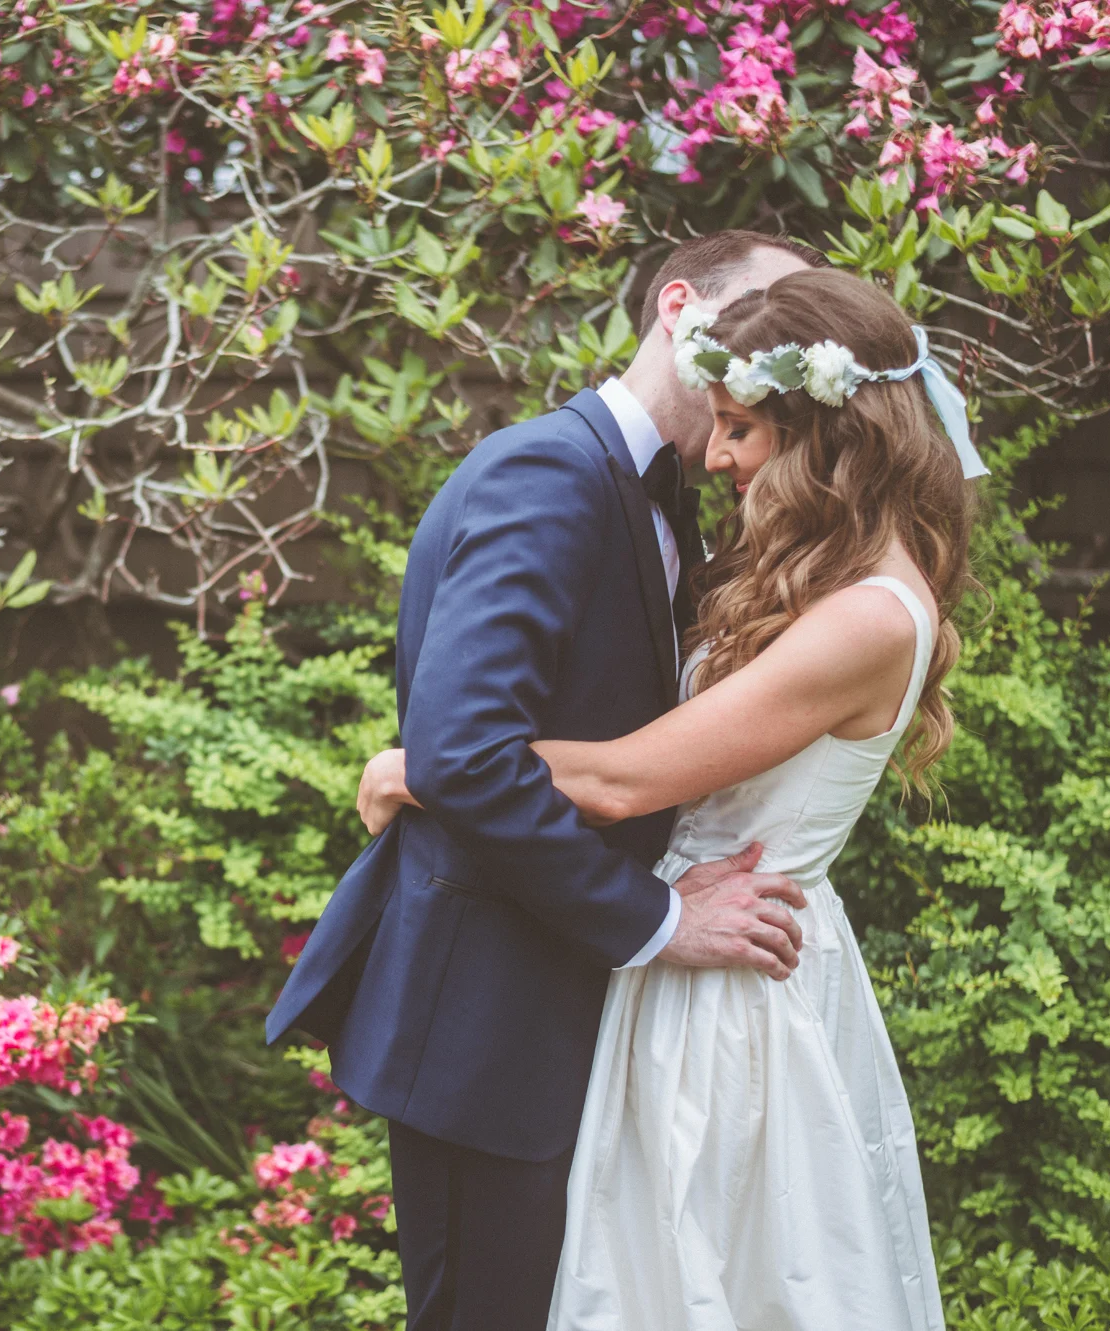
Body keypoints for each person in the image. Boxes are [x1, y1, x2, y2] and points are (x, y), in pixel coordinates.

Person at [356, 267, 988, 1330]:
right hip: (691, 958)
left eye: (742, 427)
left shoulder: (869, 617)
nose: (715, 452)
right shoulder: (822, 580)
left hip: (734, 986)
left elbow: (622, 777)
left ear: (830, 436)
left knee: (719, 1284)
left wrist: (417, 766)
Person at [264, 231, 826, 1331]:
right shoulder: (548, 472)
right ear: (679, 307)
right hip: (487, 1013)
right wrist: (657, 918)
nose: (784, 343)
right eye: (769, 310)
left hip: (562, 1008)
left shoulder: (667, 495)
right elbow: (467, 751)